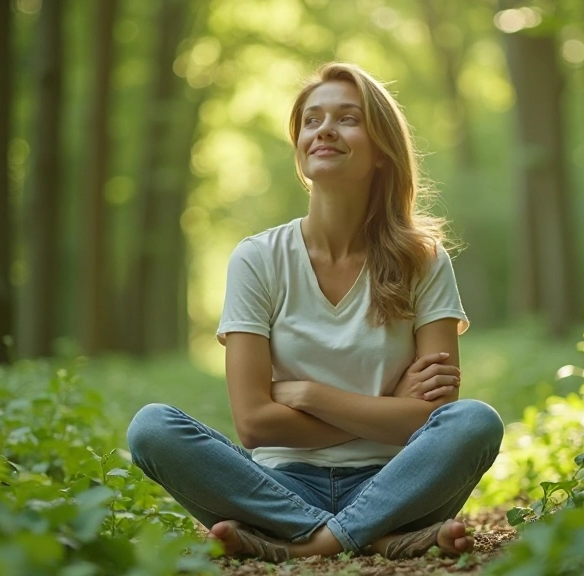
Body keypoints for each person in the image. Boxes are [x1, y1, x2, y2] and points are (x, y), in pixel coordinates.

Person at [126, 62, 504, 562]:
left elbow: (433, 417)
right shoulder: (258, 259)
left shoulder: (424, 260)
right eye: (311, 120)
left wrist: (308, 394)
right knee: (151, 429)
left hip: (397, 482)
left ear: (382, 153)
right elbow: (256, 424)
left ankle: (304, 544)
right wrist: (387, 405)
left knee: (475, 421)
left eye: (347, 118)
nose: (324, 128)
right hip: (279, 486)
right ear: (301, 149)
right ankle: (375, 538)